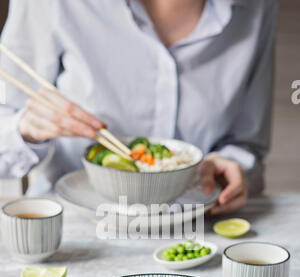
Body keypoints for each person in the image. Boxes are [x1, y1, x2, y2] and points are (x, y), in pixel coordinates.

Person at [0, 0, 278, 214]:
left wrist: (231, 168)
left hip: (195, 227)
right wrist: (26, 129)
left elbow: (247, 144)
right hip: (70, 226)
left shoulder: (257, 8)